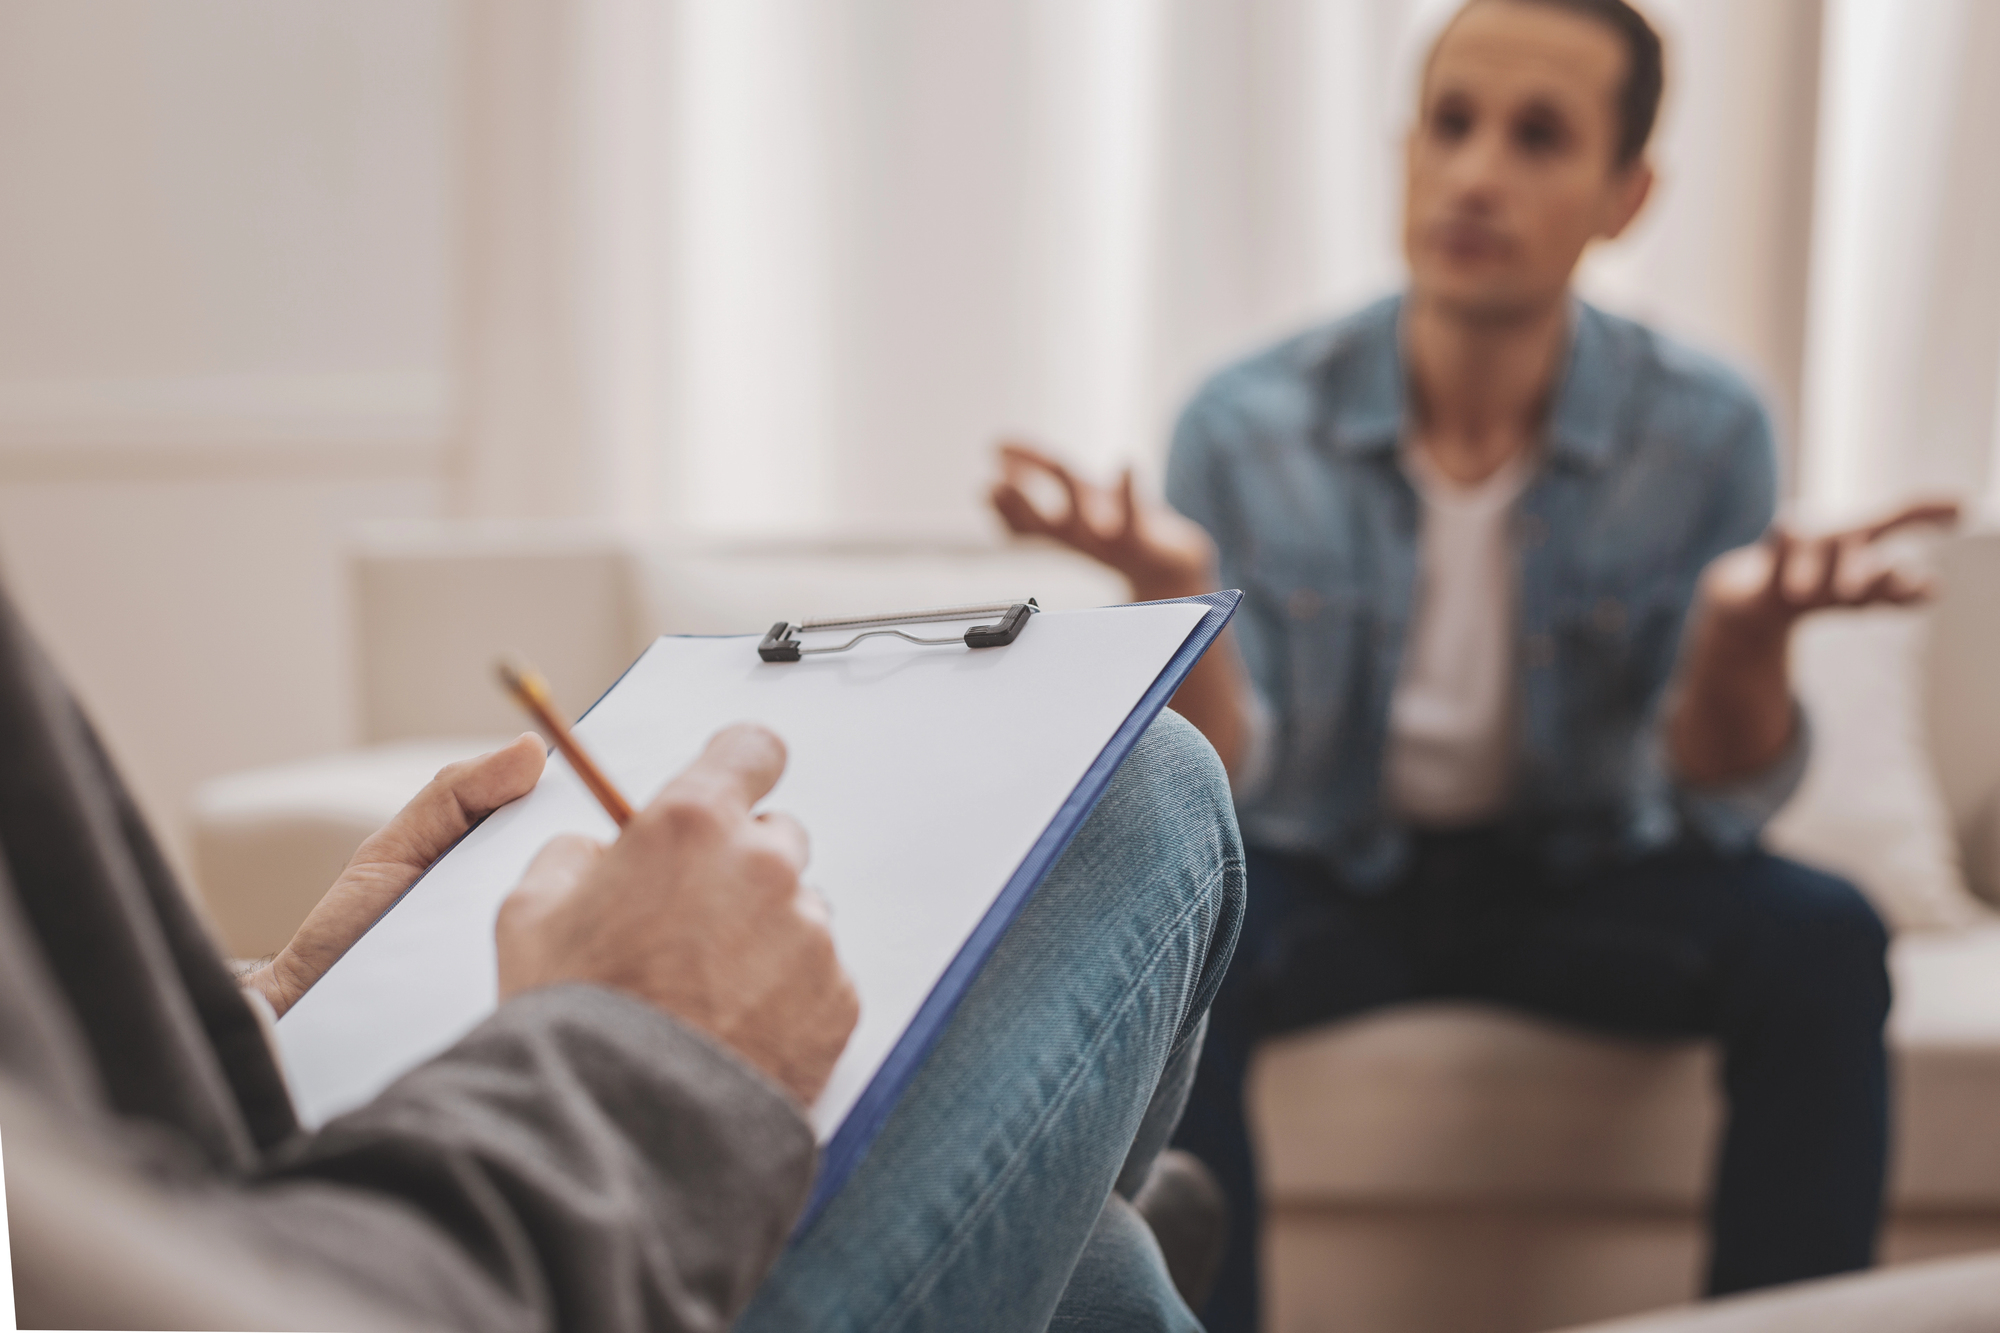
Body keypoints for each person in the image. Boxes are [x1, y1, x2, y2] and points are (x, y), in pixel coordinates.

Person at [989, 0, 1960, 1328]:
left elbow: (1718, 786)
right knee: (1162, 919)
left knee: (1824, 937)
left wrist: (1747, 639)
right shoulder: (1246, 419)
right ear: (1403, 150)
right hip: (1331, 868)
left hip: (1587, 874)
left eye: (1538, 135)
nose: (1476, 173)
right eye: (1450, 123)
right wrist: (1172, 601)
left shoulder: (1708, 427)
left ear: (1626, 194)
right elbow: (1233, 769)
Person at [0, 575, 1244, 1332]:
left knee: (1090, 1280)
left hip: (291, 1218)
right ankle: (1088, 1193)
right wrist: (626, 1054)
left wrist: (275, 1005)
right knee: (1140, 791)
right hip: (424, 1282)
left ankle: (1079, 1211)